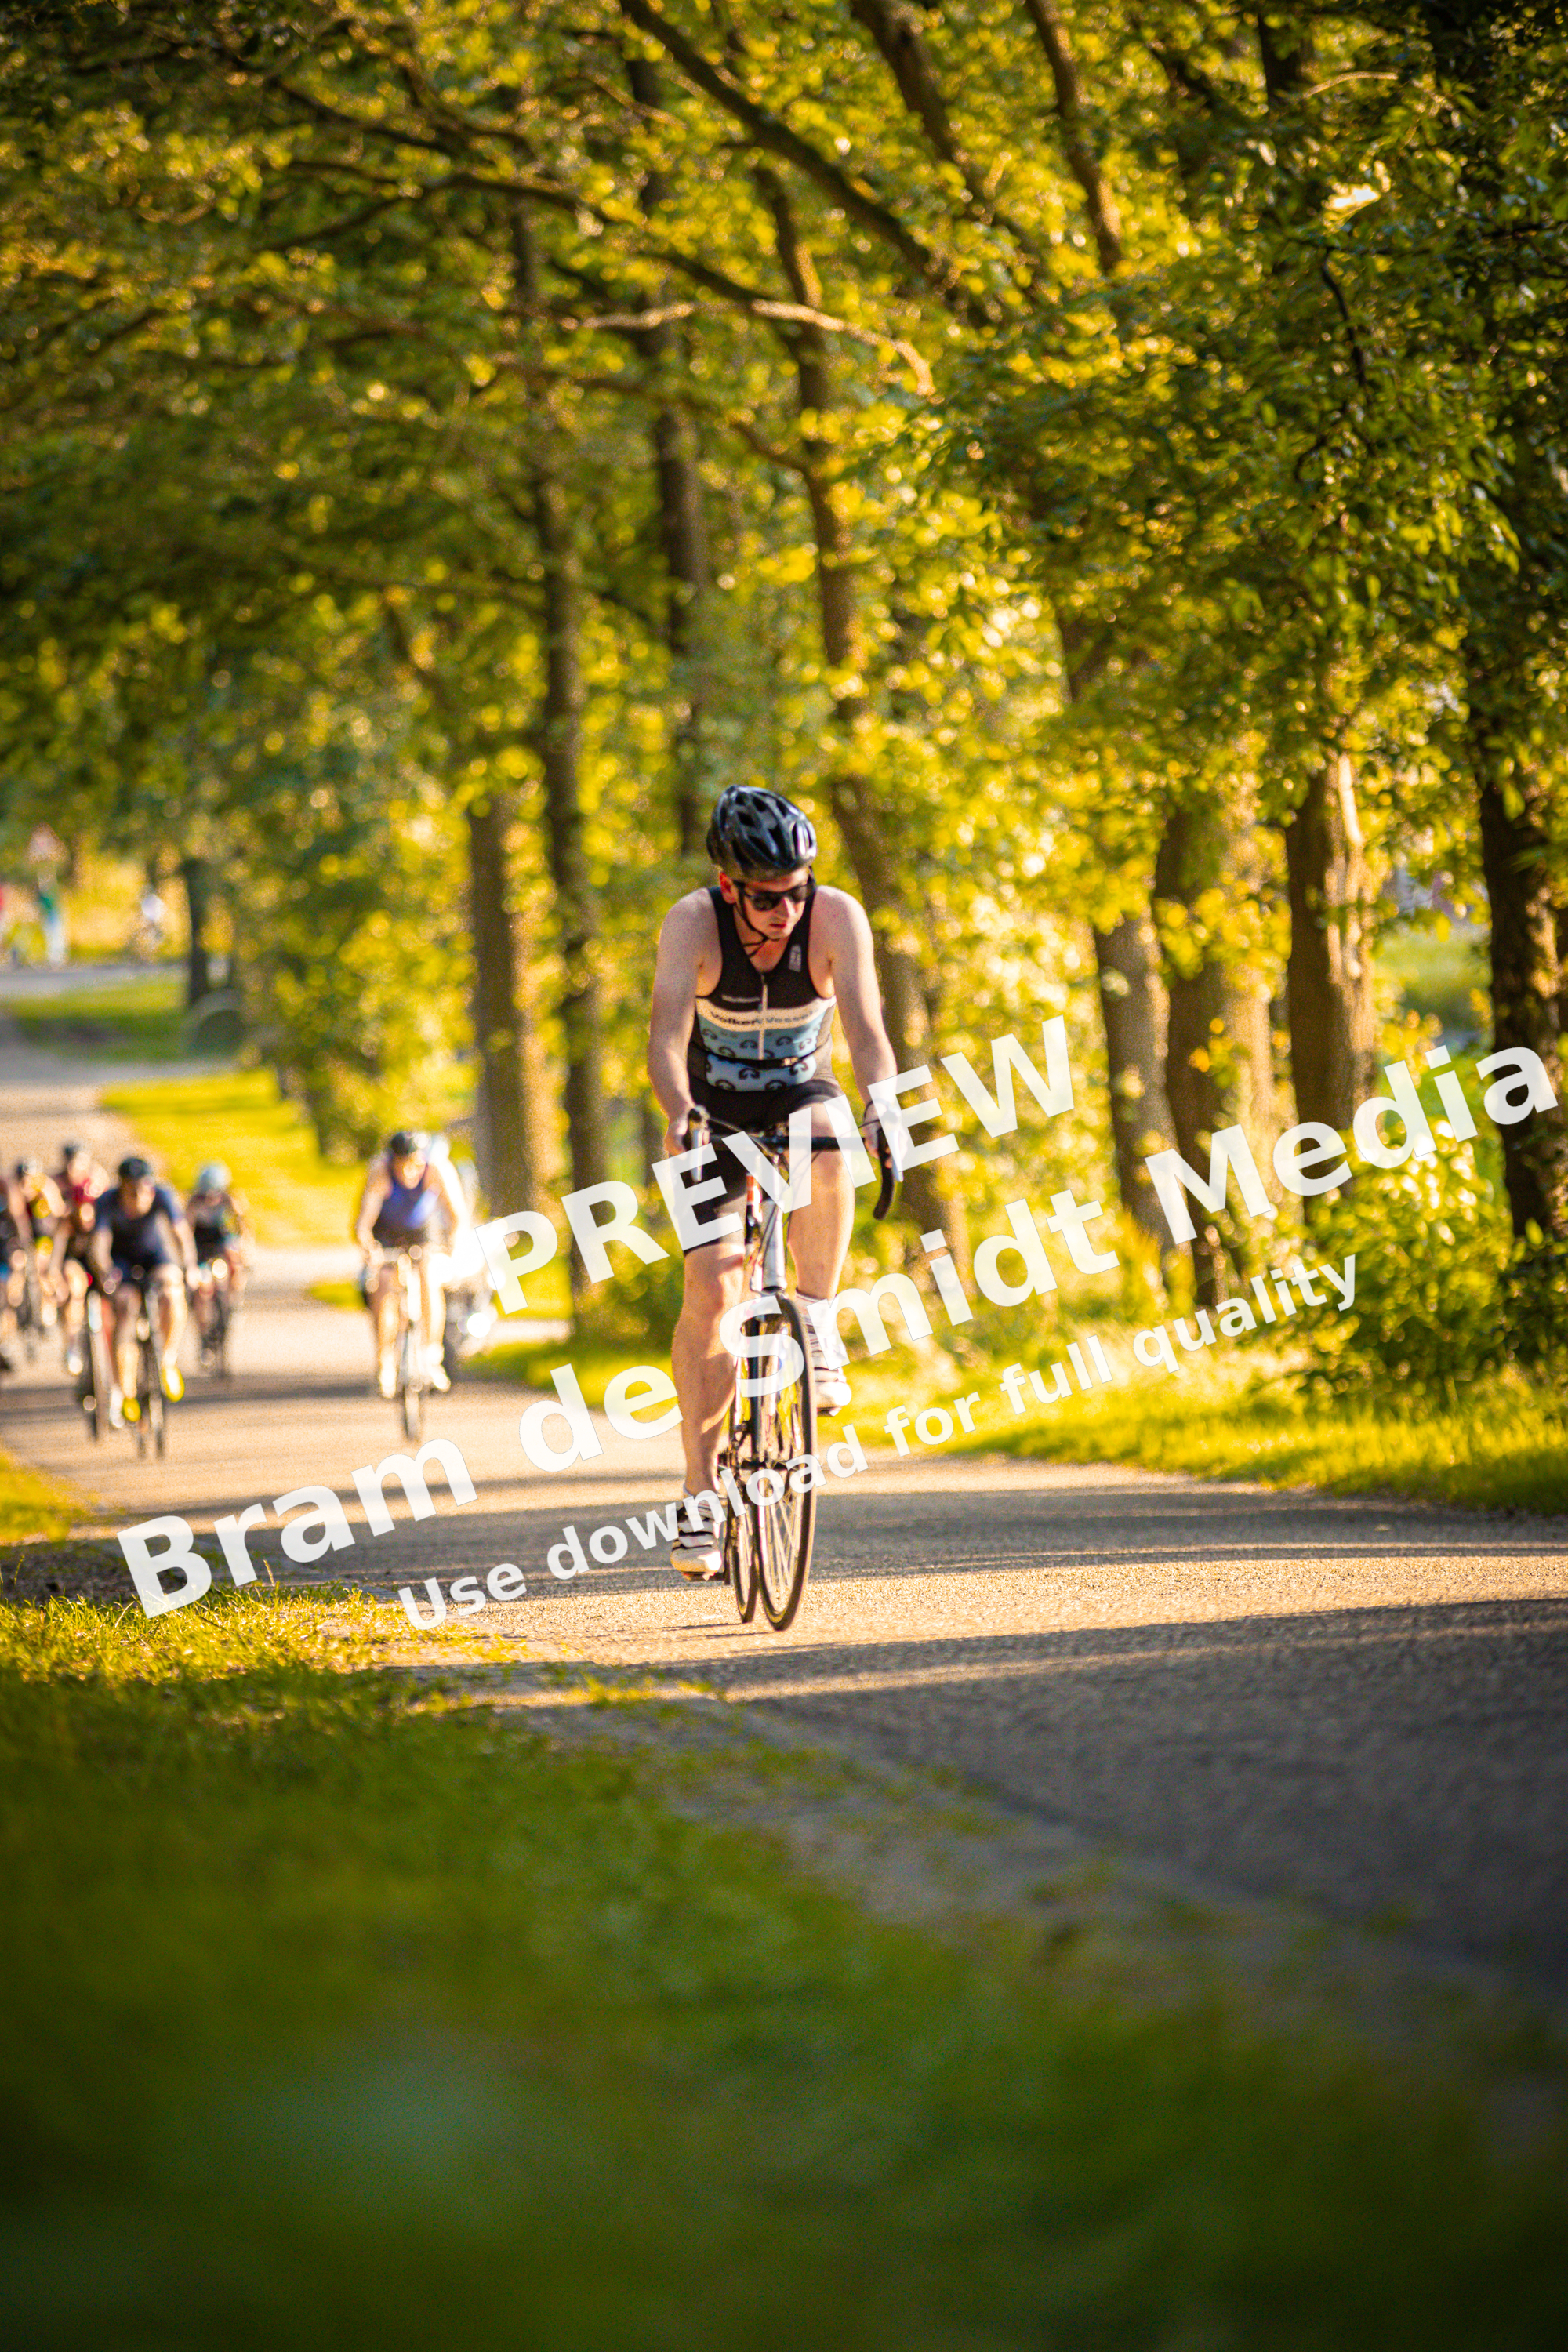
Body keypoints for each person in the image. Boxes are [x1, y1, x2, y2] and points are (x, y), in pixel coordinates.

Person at [647, 786, 898, 1581]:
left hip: (799, 1093)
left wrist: (881, 1106)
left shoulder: (834, 918)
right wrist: (680, 1110)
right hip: (709, 1110)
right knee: (710, 1295)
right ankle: (698, 1491)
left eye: (796, 890)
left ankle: (816, 1321)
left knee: (829, 1153)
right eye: (765, 896)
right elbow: (662, 1035)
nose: (785, 909)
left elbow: (864, 1028)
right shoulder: (692, 924)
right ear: (729, 887)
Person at [352, 1130, 471, 1400]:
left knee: (428, 1273)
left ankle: (431, 1355)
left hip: (426, 1232)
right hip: (388, 1233)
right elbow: (363, 1224)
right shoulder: (379, 1173)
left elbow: (458, 1217)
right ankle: (385, 1362)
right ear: (393, 1161)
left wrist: (453, 1245)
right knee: (383, 1282)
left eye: (415, 1164)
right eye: (402, 1164)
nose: (409, 1172)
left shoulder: (438, 1168)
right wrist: (369, 1248)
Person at [89, 1156, 196, 1425]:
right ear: (122, 1186)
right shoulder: (106, 1202)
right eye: (133, 1188)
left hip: (154, 1257)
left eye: (145, 1186)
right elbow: (99, 1245)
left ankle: (167, 1361)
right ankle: (126, 1392)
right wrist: (105, 1272)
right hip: (121, 1263)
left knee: (172, 1288)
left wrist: (190, 1266)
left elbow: (180, 1233)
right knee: (124, 1308)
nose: (140, 1193)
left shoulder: (162, 1195)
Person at [49, 1142, 111, 1375]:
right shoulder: (66, 1225)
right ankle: (72, 1345)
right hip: (75, 1265)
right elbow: (56, 1257)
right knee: (75, 1286)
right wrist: (55, 1280)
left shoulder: (103, 1221)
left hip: (98, 1265)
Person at [184, 1162, 250, 1330]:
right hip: (200, 1240)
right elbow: (187, 1231)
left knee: (234, 1258)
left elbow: (242, 1225)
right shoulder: (194, 1202)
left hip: (219, 1237)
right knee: (201, 1285)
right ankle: (201, 1321)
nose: (210, 1198)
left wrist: (243, 1247)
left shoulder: (229, 1199)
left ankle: (235, 1300)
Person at [0, 1164, 32, 1374]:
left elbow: (19, 1220)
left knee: (8, 1298)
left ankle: (5, 1342)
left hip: (5, 1247)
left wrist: (21, 1248)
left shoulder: (6, 1186)